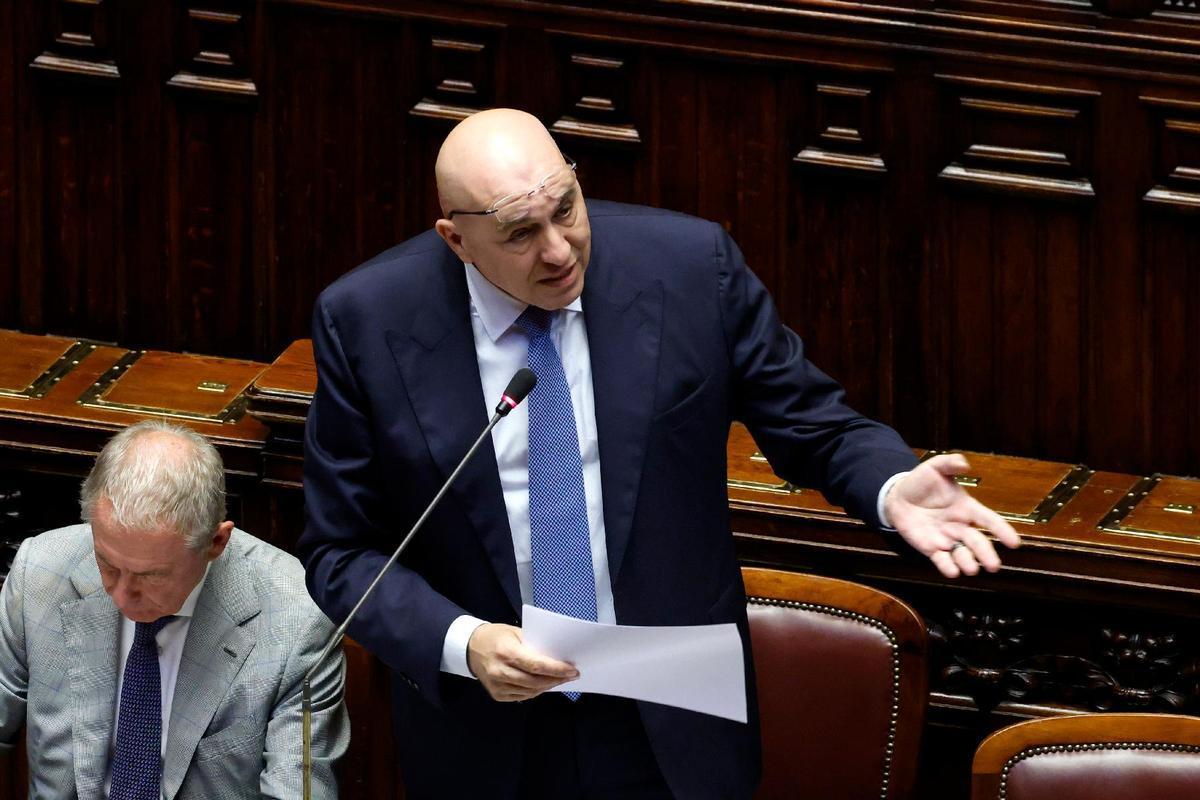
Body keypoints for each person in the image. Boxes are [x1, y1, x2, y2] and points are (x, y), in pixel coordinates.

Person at [299, 108, 1020, 799]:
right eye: (521, 234)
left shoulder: (687, 267)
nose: (558, 250)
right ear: (455, 240)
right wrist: (465, 642)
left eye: (567, 209)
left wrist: (891, 486)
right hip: (486, 728)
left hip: (670, 709)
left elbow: (813, 422)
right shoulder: (369, 320)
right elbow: (342, 554)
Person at [0, 420, 348, 799]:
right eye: (108, 566)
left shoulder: (297, 618)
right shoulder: (41, 571)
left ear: (216, 542)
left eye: (152, 576)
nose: (122, 595)